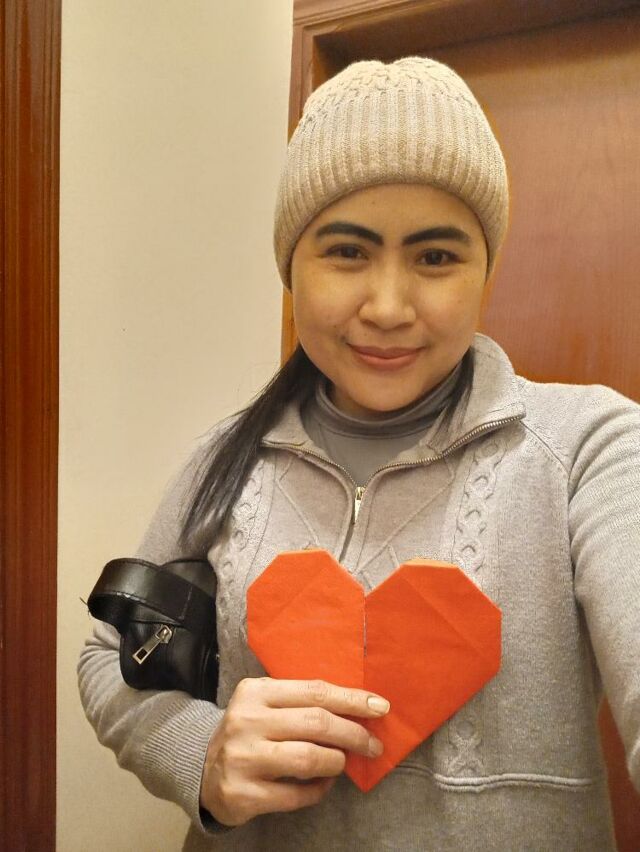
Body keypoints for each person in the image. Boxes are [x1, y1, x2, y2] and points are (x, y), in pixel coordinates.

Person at [78, 57, 640, 851]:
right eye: (347, 252)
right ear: (292, 267)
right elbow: (108, 653)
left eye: (435, 257)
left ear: (486, 270)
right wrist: (199, 753)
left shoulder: (590, 450)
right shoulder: (223, 463)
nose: (387, 306)